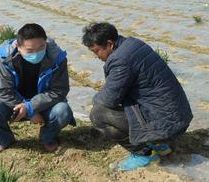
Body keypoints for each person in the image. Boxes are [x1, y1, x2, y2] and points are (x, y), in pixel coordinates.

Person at [82, 22, 193, 171]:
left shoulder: (120, 60)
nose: (96, 56)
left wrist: (95, 99)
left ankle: (144, 153)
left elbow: (109, 99)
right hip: (177, 116)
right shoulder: (132, 43)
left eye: (96, 51)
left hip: (166, 124)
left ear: (109, 44)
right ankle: (160, 144)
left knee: (98, 114)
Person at [0, 23, 75, 154]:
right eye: (30, 51)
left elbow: (59, 90)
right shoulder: (6, 58)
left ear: (46, 43)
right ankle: (5, 140)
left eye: (41, 47)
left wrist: (31, 107)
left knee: (63, 111)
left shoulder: (57, 58)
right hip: (14, 103)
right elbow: (3, 90)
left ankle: (47, 137)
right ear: (18, 47)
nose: (36, 53)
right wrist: (29, 111)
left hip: (44, 103)